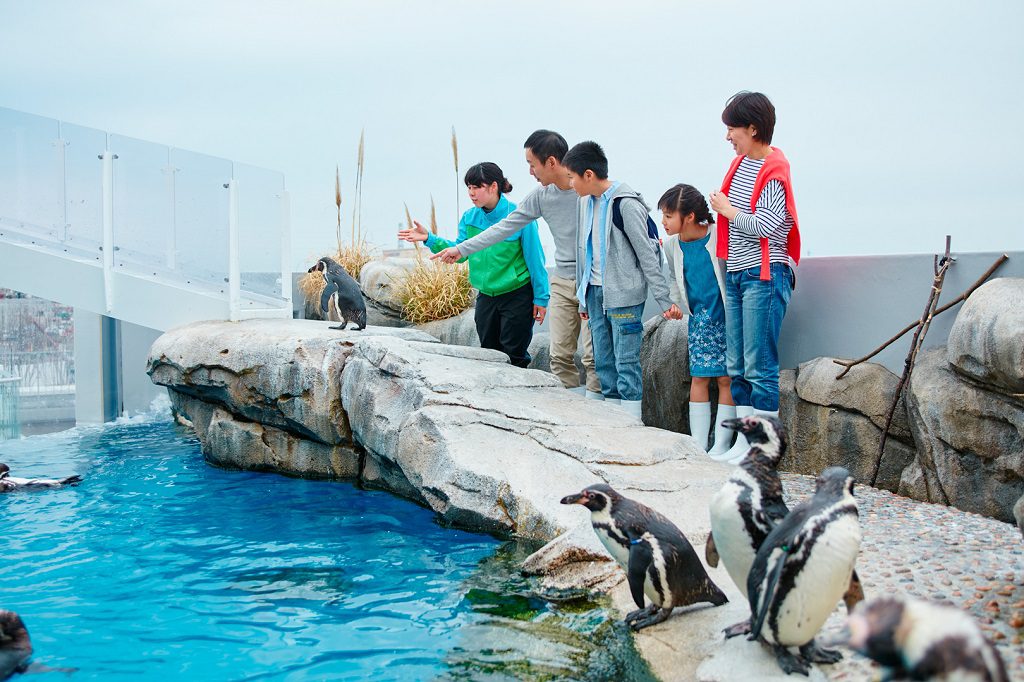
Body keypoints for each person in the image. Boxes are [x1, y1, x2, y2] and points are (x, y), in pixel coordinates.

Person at [431, 131, 602, 399]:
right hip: (562, 280)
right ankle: (571, 411)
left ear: (551, 162)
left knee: (593, 358)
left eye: (532, 164)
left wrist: (540, 297)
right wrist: (458, 249)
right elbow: (503, 228)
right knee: (559, 356)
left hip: (592, 281)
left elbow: (535, 258)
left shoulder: (588, 191)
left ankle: (601, 413)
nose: (530, 171)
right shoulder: (540, 196)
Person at [708, 91, 801, 463]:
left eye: (732, 128)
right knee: (737, 366)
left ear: (752, 128)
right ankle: (744, 445)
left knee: (760, 366)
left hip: (764, 275)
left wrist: (727, 210)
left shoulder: (775, 169)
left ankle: (764, 452)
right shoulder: (740, 164)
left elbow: (768, 225)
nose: (728, 136)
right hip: (737, 273)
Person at [563, 141, 679, 419]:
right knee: (603, 363)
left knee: (626, 363)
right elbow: (582, 250)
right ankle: (615, 426)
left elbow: (647, 255)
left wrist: (664, 300)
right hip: (594, 294)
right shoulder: (583, 203)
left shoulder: (625, 204)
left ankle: (632, 425)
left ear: (588, 175)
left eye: (571, 177)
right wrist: (583, 297)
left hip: (624, 295)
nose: (569, 184)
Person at [398, 162, 549, 368]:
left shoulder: (519, 216)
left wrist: (541, 297)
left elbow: (535, 259)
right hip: (486, 296)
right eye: (469, 187)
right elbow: (460, 253)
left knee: (515, 355)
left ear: (493, 186)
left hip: (517, 295)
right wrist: (429, 238)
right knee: (489, 353)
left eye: (477, 187)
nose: (471, 193)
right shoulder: (470, 218)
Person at [658, 183, 735, 455]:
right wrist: (674, 305)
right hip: (699, 322)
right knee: (699, 378)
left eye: (669, 216)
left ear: (689, 216)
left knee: (726, 379)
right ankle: (699, 445)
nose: (664, 221)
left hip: (726, 318)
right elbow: (674, 279)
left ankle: (722, 445)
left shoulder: (717, 235)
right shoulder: (672, 246)